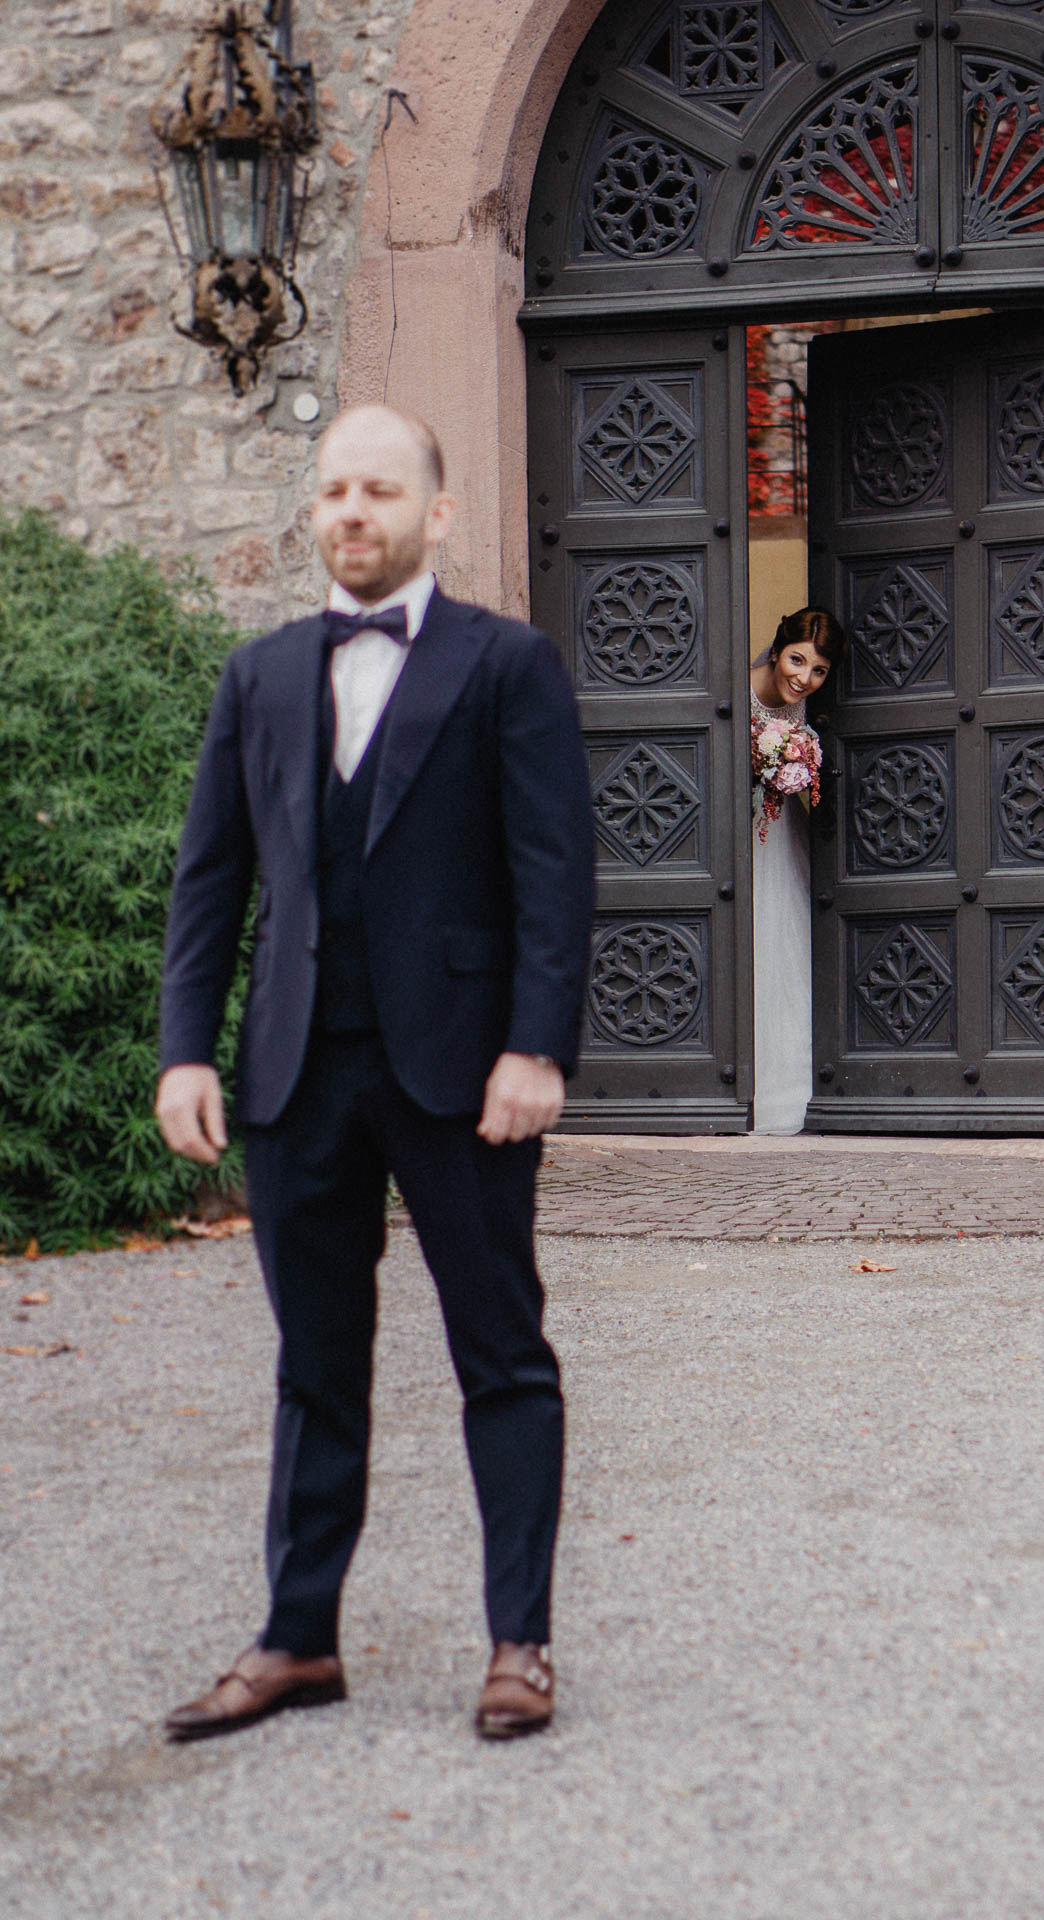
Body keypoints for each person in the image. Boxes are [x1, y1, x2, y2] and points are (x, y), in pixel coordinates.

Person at [154, 404, 595, 1742]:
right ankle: (298, 1641)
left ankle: (520, 1643)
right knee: (313, 1365)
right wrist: (186, 1048)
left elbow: (554, 875)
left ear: (434, 513)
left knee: (502, 1356)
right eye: (336, 490)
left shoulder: (507, 664)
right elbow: (210, 880)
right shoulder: (261, 677)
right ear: (317, 513)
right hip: (292, 1072)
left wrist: (538, 1046)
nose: (355, 511)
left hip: (464, 1075)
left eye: (382, 490)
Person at [750, 607, 846, 1135]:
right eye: (797, 660)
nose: (803, 679)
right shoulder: (736, 692)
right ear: (777, 649)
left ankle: (792, 1083)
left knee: (787, 943)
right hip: (738, 837)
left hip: (781, 836)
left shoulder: (801, 713)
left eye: (818, 672)